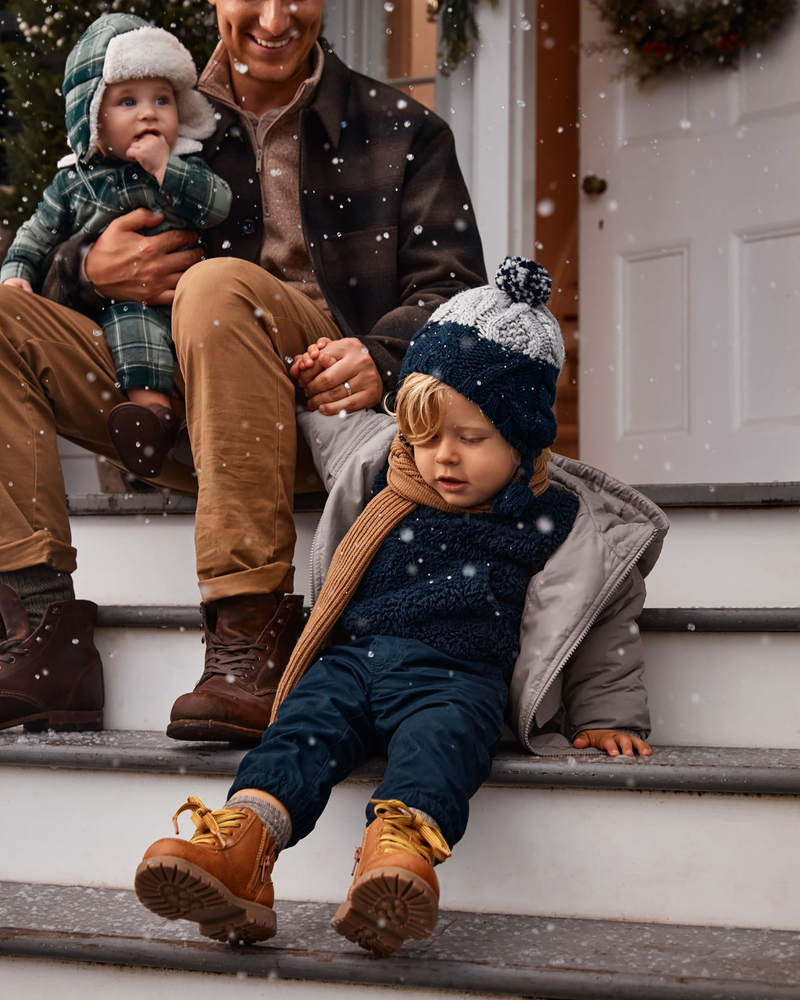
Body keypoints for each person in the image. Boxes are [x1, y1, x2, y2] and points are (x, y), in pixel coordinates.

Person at [133, 257, 668, 956]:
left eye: (471, 439)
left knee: (441, 746)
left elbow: (600, 614)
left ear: (525, 436)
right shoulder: (386, 468)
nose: (443, 457)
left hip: (458, 677)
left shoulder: (557, 519)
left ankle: (394, 861)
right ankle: (242, 850)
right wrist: (305, 369)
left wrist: (606, 717)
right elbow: (319, 421)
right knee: (299, 732)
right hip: (354, 661)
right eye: (427, 434)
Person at [0, 0, 485, 737]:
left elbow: (455, 294)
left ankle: (248, 635)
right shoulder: (156, 105)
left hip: (327, 415)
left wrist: (382, 357)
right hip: (174, 410)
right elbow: (63, 231)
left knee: (214, 285)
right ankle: (41, 638)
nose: (275, 17)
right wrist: (84, 270)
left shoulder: (402, 130)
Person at [1, 15, 232, 480]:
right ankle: (153, 422)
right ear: (93, 119)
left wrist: (167, 169)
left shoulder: (186, 163)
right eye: (128, 101)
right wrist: (16, 273)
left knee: (208, 335)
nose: (149, 113)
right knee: (132, 326)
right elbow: (35, 233)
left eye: (162, 100)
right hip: (120, 310)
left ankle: (197, 427)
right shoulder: (75, 182)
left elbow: (217, 205)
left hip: (190, 301)